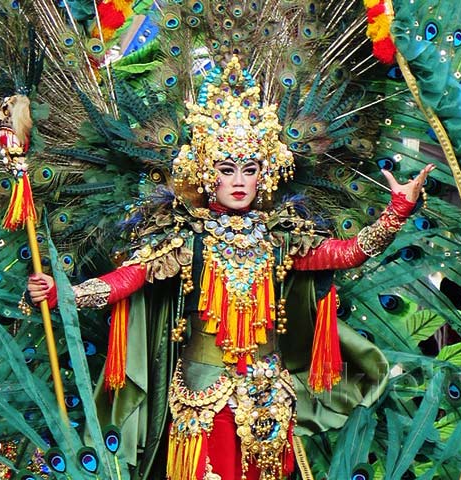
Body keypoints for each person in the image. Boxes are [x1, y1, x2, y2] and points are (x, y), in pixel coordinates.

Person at [27, 58, 434, 480]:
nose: (238, 180)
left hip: (269, 402)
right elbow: (127, 280)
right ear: (208, 175)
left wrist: (397, 211)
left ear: (264, 176)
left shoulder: (281, 238)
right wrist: (62, 294)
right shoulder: (186, 236)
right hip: (203, 401)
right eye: (226, 170)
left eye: (249, 169)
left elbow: (347, 253)